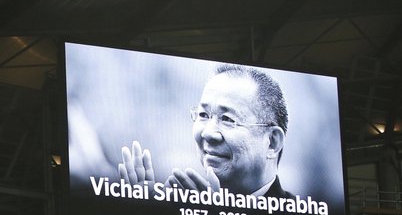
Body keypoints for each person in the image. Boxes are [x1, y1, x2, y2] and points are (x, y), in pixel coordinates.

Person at [118, 64, 290, 197]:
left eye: (227, 119)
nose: (208, 133)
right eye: (203, 114)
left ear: (272, 142)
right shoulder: (180, 208)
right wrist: (145, 214)